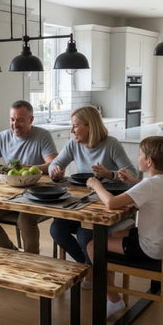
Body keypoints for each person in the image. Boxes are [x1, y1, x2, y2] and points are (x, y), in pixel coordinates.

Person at [85, 135, 163, 318]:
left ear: (149, 161)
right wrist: (134, 183)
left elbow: (111, 203)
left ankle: (114, 300)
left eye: (140, 155)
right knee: (117, 232)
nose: (138, 158)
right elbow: (150, 190)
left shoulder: (148, 185)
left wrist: (96, 185)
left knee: (93, 245)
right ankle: (110, 285)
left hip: (151, 249)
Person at [48, 105, 138, 283]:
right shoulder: (73, 144)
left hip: (108, 205)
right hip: (82, 204)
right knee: (56, 229)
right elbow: (54, 164)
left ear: (90, 126)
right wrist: (55, 171)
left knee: (84, 234)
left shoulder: (111, 144)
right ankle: (88, 267)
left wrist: (109, 174)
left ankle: (92, 272)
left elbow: (132, 174)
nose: (72, 130)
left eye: (75, 125)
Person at [0, 100, 58, 253]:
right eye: (12, 120)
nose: (15, 124)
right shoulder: (4, 136)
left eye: (20, 120)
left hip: (36, 195)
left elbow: (53, 165)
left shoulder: (43, 136)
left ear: (31, 120)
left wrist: (31, 168)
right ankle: (11, 253)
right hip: (9, 195)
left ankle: (31, 262)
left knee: (25, 221)